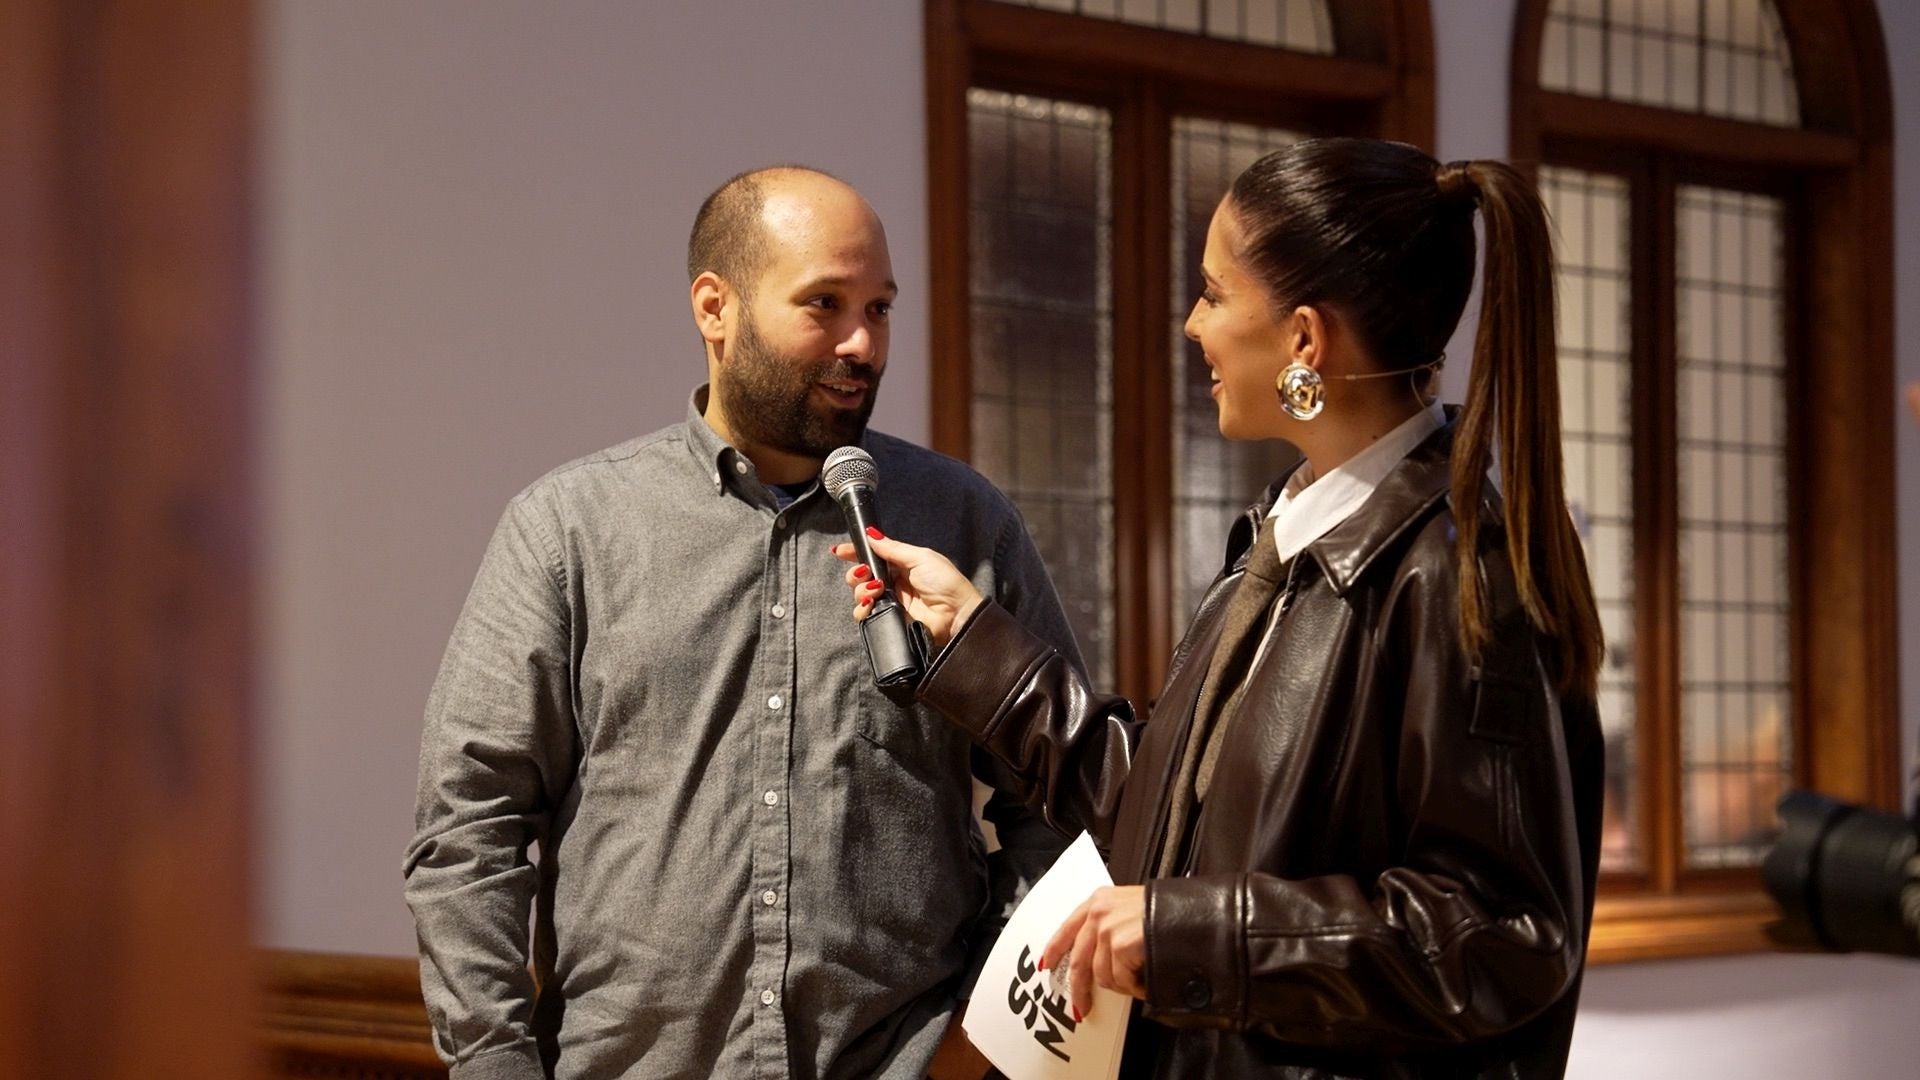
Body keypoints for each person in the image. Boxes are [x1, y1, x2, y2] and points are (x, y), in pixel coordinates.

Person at [838, 138, 1606, 1078]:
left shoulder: (1455, 572)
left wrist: (1189, 935)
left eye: (1212, 292)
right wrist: (979, 648)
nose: (1192, 325)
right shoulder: (1284, 536)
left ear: (1304, 340)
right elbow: (1168, 819)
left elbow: (1500, 935)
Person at [405, 166, 1079, 1080]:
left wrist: (987, 1042)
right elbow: (469, 828)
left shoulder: (962, 523)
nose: (862, 343)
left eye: (879, 308)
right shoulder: (570, 531)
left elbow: (1056, 804)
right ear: (714, 308)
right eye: (825, 303)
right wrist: (494, 1065)